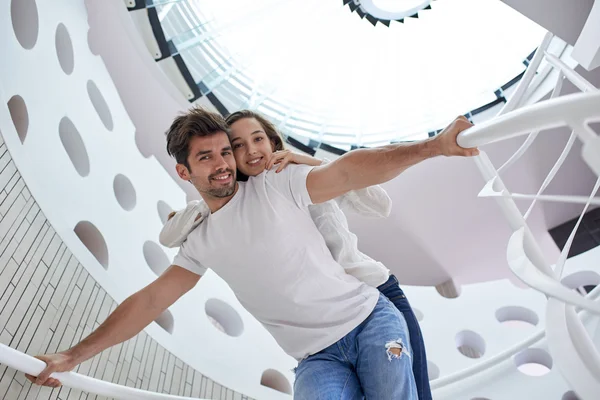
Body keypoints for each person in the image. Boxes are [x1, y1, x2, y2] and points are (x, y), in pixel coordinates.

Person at [27, 108, 477, 399]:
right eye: (207, 157)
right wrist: (71, 356)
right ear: (184, 171)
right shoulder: (199, 239)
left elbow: (348, 170)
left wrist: (434, 147)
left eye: (227, 151)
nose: (224, 162)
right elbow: (149, 302)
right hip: (317, 359)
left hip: (369, 321)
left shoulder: (275, 185)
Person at [160, 109, 433, 399]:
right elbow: (169, 235)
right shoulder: (242, 199)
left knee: (415, 392)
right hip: (329, 328)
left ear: (272, 142)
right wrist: (202, 208)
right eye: (238, 145)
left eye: (258, 139)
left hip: (376, 293)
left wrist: (312, 162)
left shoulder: (298, 175)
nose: (251, 150)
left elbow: (380, 205)